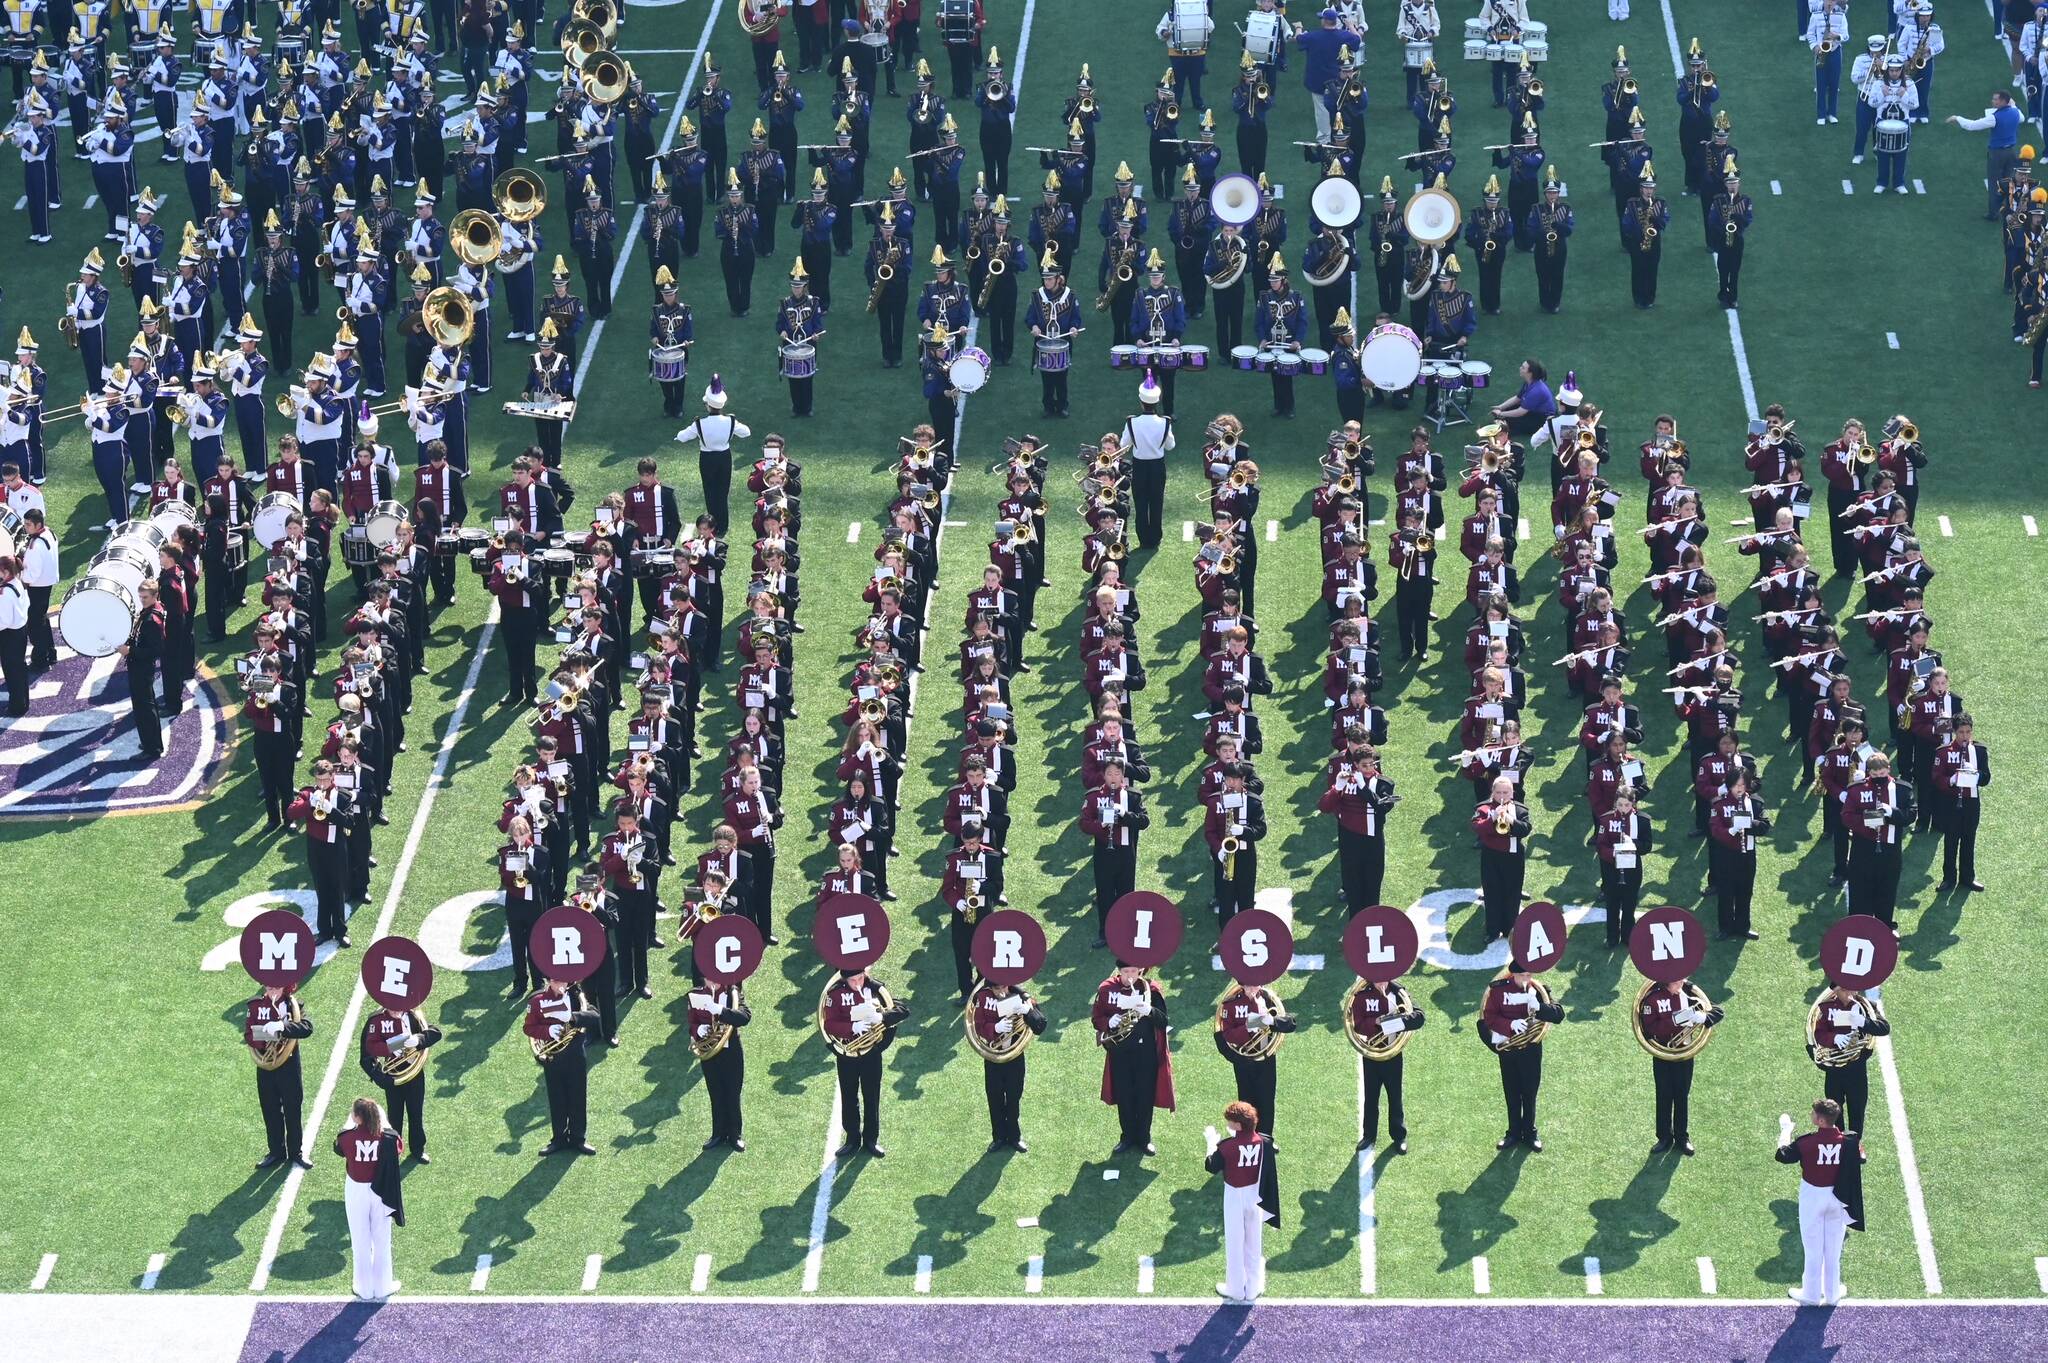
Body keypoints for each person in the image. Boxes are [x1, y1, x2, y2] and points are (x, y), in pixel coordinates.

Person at [1775, 1098, 1866, 1307]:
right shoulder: (1849, 1140)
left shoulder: (1806, 1142)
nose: (1811, 1115)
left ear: (1820, 1120)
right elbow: (1860, 1158)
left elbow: (1782, 1155)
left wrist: (1785, 1131)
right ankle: (1832, 1294)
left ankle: (1811, 1294)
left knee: (1813, 1249)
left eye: (1813, 1113)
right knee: (1833, 1250)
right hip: (1839, 1197)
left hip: (1813, 1196)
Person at [821, 965, 909, 1157]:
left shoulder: (876, 990)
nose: (858, 983)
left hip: (871, 1054)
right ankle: (852, 1139)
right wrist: (853, 1027)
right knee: (849, 1095)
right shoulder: (835, 994)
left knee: (872, 1096)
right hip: (847, 1054)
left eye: (860, 978)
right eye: (853, 981)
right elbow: (829, 1024)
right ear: (845, 980)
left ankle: (871, 1139)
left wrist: (882, 1018)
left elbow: (903, 1010)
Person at [1204, 1099, 1279, 1304]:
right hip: (1256, 1196)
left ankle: (1236, 1289)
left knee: (1235, 1243)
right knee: (1254, 1243)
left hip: (1235, 1197)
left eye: (1230, 1121)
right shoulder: (1265, 1142)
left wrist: (1211, 1143)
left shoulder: (1227, 1146)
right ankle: (1253, 1288)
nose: (1227, 1123)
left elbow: (1211, 1166)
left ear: (1238, 1125)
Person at [1094, 961, 1173, 1156]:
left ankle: (1144, 1138)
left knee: (1145, 1096)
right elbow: (1096, 1019)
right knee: (1124, 1096)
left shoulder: (1151, 989)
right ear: (1118, 971)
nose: (1130, 976)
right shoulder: (1106, 989)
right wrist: (1107, 1022)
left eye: (1134, 971)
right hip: (1119, 1052)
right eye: (1125, 971)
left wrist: (1149, 1011)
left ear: (1140, 970)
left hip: (1145, 1053)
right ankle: (1127, 1137)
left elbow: (1164, 1020)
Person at [1638, 976, 1723, 1155]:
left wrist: (1703, 1017)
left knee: (1682, 1095)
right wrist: (1677, 1019)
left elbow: (1718, 1011)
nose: (1681, 984)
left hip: (1684, 1054)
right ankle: (1664, 1137)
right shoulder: (1652, 999)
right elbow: (1650, 1028)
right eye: (1676, 982)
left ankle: (1682, 1137)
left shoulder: (1687, 992)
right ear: (1666, 983)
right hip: (1662, 1054)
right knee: (1663, 1095)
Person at [1482, 961, 1562, 1150]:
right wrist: (1509, 1025)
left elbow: (1559, 1015)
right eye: (1523, 975)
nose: (1527, 979)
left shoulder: (1539, 990)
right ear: (1513, 975)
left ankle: (1530, 1133)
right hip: (1509, 1050)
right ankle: (1513, 1133)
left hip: (1531, 1050)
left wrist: (1540, 1008)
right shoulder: (1498, 990)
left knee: (1529, 1093)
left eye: (1529, 975)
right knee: (1511, 1092)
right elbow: (1489, 1017)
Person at [334, 1097, 405, 1301]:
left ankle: (363, 1288)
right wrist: (386, 1125)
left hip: (356, 1190)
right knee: (382, 1239)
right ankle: (383, 1286)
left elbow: (339, 1148)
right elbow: (399, 1146)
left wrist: (351, 1126)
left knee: (360, 1240)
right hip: (381, 1190)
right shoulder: (388, 1138)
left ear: (357, 1118)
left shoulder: (346, 1138)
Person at [358, 1001, 443, 1165]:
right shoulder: (376, 1020)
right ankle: (393, 1150)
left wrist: (419, 1039)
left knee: (416, 1113)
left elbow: (435, 1033)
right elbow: (367, 1054)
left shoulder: (413, 1016)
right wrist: (382, 1078)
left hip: (415, 1074)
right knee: (394, 1116)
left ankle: (418, 1149)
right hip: (393, 1076)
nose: (397, 1010)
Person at [525, 972, 600, 1156]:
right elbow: (529, 1028)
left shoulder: (575, 997)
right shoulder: (537, 1001)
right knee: (556, 1099)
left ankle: (578, 1138)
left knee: (577, 1097)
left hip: (575, 1056)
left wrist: (573, 1017)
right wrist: (548, 1030)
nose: (559, 984)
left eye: (562, 980)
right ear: (549, 981)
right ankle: (558, 1139)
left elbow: (595, 1016)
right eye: (554, 980)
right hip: (553, 1058)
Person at [245, 981, 316, 1170]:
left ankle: (296, 1152)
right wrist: (264, 1039)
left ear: (285, 988)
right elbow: (248, 1035)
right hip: (266, 1067)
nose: (272, 992)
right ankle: (275, 1152)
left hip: (289, 1067)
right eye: (268, 988)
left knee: (293, 1110)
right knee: (270, 1110)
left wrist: (282, 1026)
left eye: (276, 988)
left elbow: (307, 1028)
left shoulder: (294, 1007)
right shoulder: (255, 1006)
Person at [690, 978, 753, 1151]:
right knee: (715, 1094)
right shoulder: (696, 994)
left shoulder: (732, 993)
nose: (711, 981)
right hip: (709, 1053)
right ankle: (718, 1134)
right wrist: (697, 1031)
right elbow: (692, 1022)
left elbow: (745, 1017)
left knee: (732, 1094)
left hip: (731, 1052)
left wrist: (720, 1010)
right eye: (707, 977)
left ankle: (735, 1135)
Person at [1945, 89, 2024, 219]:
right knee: (2008, 182)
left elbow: (1972, 126)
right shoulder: (2016, 112)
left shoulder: (1994, 117)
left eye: (1995, 99)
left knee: (1994, 184)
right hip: (2011, 152)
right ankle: (2009, 209)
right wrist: (2014, 105)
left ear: (2003, 101)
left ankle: (1993, 214)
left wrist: (1957, 118)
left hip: (1997, 153)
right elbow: (2021, 117)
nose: (1992, 101)